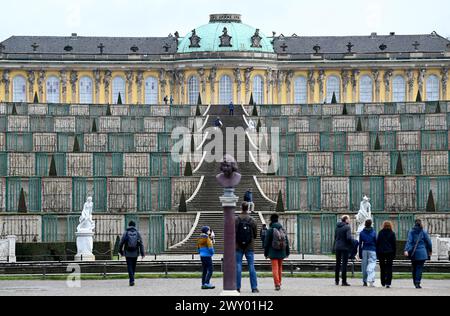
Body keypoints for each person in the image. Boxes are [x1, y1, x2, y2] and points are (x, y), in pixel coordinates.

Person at [235, 202, 259, 293]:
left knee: (238, 265)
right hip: (250, 246)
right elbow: (256, 234)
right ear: (248, 208)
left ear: (241, 208)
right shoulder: (252, 220)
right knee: (251, 266)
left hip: (238, 245)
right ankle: (254, 288)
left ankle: (237, 287)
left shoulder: (236, 219)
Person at [404, 219, 433, 289]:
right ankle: (417, 282)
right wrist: (430, 250)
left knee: (414, 267)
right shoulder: (423, 232)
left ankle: (415, 281)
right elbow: (429, 242)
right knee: (419, 268)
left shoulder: (411, 232)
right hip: (422, 253)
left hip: (413, 253)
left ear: (414, 224)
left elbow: (409, 241)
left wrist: (406, 250)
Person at [264, 214, 290, 291]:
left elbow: (266, 243)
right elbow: (287, 242)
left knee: (275, 268)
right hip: (282, 251)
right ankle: (279, 282)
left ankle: (277, 284)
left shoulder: (270, 230)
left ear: (271, 220)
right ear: (277, 220)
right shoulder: (282, 229)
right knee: (280, 268)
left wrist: (266, 253)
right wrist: (287, 252)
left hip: (273, 252)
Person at [119, 221, 145, 287]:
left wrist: (120, 251)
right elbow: (141, 243)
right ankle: (132, 279)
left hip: (127, 252)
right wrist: (142, 253)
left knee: (129, 266)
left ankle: (131, 280)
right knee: (133, 266)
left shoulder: (126, 232)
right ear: (134, 225)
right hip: (135, 252)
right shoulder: (137, 233)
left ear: (129, 225)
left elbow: (121, 242)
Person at [334, 215, 353, 286]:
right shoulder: (347, 227)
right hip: (344, 247)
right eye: (349, 219)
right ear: (346, 220)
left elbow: (335, 237)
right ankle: (344, 281)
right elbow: (348, 238)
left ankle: (336, 280)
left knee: (337, 264)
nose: (350, 220)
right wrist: (351, 243)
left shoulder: (337, 227)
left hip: (337, 247)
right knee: (344, 264)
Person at [377, 221, 397, 288]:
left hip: (381, 252)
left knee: (382, 267)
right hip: (390, 252)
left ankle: (383, 282)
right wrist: (394, 253)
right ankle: (388, 282)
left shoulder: (380, 233)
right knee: (389, 268)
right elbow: (394, 244)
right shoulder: (392, 233)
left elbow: (378, 243)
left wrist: (377, 252)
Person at [359, 219, 377, 287]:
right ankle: (371, 280)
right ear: (371, 224)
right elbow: (376, 242)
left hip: (364, 250)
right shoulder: (374, 232)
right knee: (372, 264)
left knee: (364, 266)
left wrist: (360, 253)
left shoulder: (362, 233)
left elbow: (360, 244)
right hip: (372, 249)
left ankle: (365, 281)